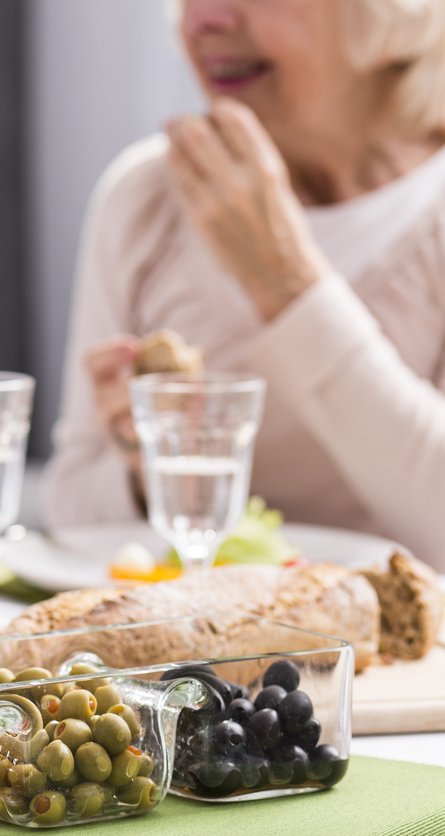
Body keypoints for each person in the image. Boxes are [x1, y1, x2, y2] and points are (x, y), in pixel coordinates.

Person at [44, 0, 445, 568]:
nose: (202, 20)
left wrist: (287, 285)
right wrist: (145, 466)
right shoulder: (144, 198)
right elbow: (71, 513)